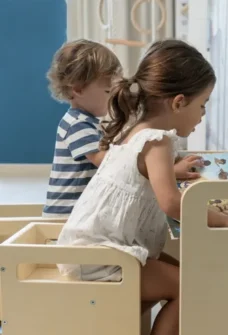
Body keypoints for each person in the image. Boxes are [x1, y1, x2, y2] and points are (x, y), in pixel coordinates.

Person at [57, 39, 228, 335]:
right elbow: (170, 202)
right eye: (202, 105)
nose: (202, 116)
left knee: (185, 274)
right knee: (188, 285)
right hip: (102, 257)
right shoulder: (157, 141)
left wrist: (181, 176)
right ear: (178, 102)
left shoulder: (137, 131)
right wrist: (226, 222)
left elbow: (159, 184)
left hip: (97, 247)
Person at [43, 39, 201, 218]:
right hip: (68, 215)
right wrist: (166, 172)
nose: (112, 97)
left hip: (79, 213)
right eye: (107, 91)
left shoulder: (87, 121)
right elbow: (111, 165)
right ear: (78, 89)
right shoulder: (76, 124)